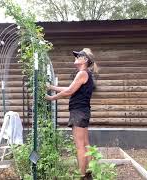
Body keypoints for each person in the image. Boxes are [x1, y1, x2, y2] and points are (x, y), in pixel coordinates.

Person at [45, 48, 98, 179]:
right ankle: (89, 174)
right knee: (85, 144)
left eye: (78, 56)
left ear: (85, 59)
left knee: (80, 146)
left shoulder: (82, 73)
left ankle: (82, 175)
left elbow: (68, 92)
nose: (75, 57)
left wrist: (51, 98)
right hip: (83, 112)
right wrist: (52, 88)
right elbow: (70, 89)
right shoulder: (85, 74)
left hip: (79, 113)